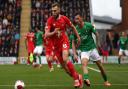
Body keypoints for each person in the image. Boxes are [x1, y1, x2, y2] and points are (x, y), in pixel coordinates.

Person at [44, 3, 83, 88]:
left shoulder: (64, 18)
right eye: (52, 11)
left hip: (64, 41)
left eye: (55, 10)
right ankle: (78, 77)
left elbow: (72, 27)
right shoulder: (50, 20)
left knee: (65, 58)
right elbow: (46, 34)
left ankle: (76, 80)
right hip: (56, 46)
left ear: (59, 10)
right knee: (66, 70)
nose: (53, 12)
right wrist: (54, 32)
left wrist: (78, 37)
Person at [72, 13, 111, 87]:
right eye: (75, 19)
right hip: (83, 50)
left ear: (82, 18)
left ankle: (106, 81)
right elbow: (73, 42)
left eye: (78, 18)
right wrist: (74, 54)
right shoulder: (75, 29)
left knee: (100, 66)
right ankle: (86, 79)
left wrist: (98, 43)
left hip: (92, 48)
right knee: (84, 63)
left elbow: (96, 33)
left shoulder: (89, 25)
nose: (76, 20)